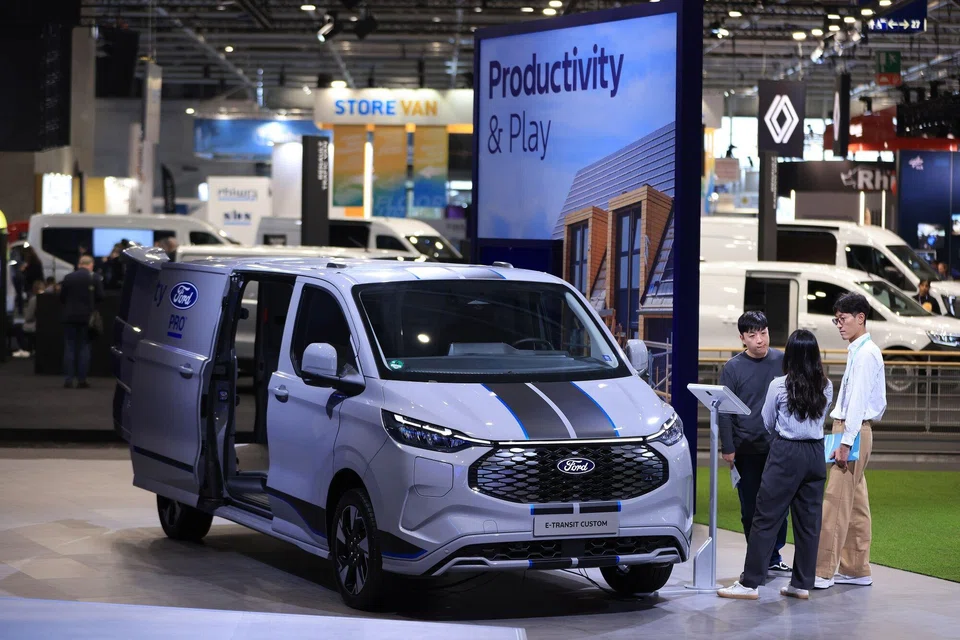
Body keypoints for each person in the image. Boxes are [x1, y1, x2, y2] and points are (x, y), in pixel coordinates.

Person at [718, 330, 833, 600]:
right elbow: (822, 416)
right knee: (808, 523)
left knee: (765, 518)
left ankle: (749, 584)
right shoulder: (826, 385)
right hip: (816, 454)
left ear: (790, 355)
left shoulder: (779, 385)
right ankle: (801, 584)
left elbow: (767, 421)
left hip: (785, 453)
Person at [815, 292, 886, 589]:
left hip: (852, 430)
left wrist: (846, 441)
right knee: (855, 504)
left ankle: (821, 572)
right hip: (852, 429)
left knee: (835, 503)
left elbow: (857, 402)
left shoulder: (866, 354)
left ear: (861, 318)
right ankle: (857, 569)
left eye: (843, 319)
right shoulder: (859, 350)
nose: (839, 325)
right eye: (837, 319)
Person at [718, 311, 791, 576]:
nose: (760, 340)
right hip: (746, 449)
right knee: (750, 507)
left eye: (763, 332)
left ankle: (773, 554)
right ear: (742, 338)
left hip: (778, 446)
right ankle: (757, 554)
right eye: (752, 335)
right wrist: (727, 446)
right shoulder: (733, 368)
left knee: (779, 504)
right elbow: (724, 410)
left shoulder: (783, 360)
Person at [59, 255, 104, 389]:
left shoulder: (68, 277)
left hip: (69, 317)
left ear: (79, 264)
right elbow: (101, 296)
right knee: (84, 347)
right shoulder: (94, 277)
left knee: (69, 347)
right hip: (87, 318)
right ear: (91, 265)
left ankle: (68, 379)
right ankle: (82, 380)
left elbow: (62, 297)